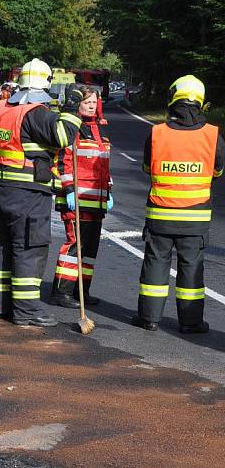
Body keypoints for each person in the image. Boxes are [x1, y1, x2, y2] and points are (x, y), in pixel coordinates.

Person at [0, 58, 84, 327]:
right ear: (44, 85)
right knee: (28, 248)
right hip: (29, 192)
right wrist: (72, 107)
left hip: (0, 187)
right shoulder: (37, 113)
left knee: (1, 245)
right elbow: (63, 136)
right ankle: (26, 312)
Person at [133, 74, 224, 333]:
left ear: (173, 98)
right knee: (191, 268)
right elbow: (217, 172)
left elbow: (147, 168)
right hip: (195, 219)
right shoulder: (213, 135)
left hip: (161, 214)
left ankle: (149, 319)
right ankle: (191, 322)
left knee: (155, 264)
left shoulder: (157, 133)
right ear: (201, 102)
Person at [50, 87, 112, 307]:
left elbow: (102, 164)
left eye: (94, 102)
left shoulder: (98, 129)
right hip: (75, 197)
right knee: (75, 244)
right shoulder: (70, 127)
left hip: (96, 199)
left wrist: (109, 189)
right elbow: (60, 163)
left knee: (90, 249)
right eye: (87, 102)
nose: (92, 106)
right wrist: (67, 190)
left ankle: (81, 291)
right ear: (78, 104)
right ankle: (61, 291)